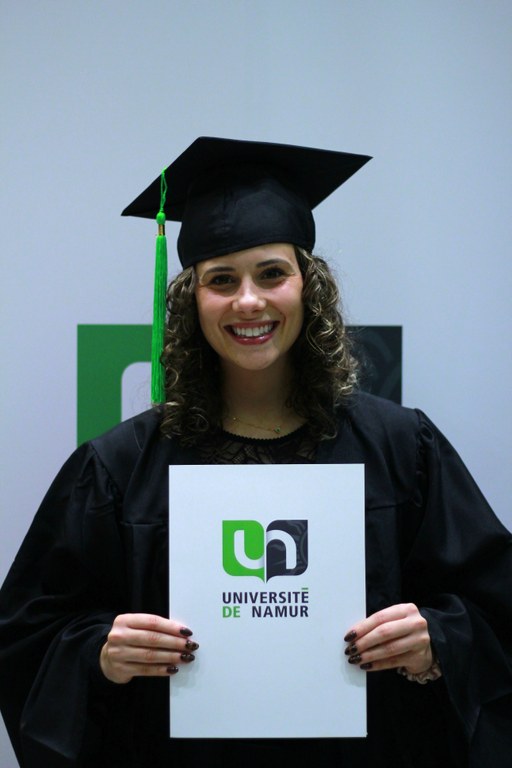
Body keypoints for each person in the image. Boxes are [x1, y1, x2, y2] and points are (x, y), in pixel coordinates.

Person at [0, 137, 511, 768]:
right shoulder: (120, 468)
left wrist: (439, 643)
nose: (249, 301)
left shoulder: (402, 449)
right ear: (191, 300)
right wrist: (98, 654)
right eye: (221, 279)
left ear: (309, 287)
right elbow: (27, 638)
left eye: (272, 273)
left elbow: (495, 609)